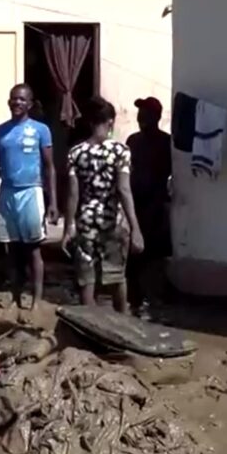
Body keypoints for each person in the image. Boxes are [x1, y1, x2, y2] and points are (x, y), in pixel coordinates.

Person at [0, 84, 58, 318]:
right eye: (14, 99)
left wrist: (53, 202)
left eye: (22, 100)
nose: (17, 103)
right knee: (12, 251)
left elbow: (49, 167)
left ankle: (36, 300)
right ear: (9, 102)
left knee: (33, 249)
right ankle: (15, 298)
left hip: (31, 192)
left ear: (30, 104)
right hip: (6, 193)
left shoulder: (41, 130)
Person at [63, 97, 144, 312]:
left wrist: (68, 227)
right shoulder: (120, 151)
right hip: (112, 222)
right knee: (117, 277)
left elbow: (73, 194)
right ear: (111, 122)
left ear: (90, 122)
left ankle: (89, 328)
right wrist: (135, 227)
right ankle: (123, 326)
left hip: (86, 223)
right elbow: (124, 190)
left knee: (87, 279)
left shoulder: (76, 153)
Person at [125, 97, 173, 318]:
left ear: (156, 117)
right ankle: (134, 300)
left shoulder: (166, 142)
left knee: (154, 255)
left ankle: (152, 300)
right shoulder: (133, 141)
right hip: (135, 204)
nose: (140, 117)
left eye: (145, 113)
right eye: (139, 113)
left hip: (155, 203)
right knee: (134, 255)